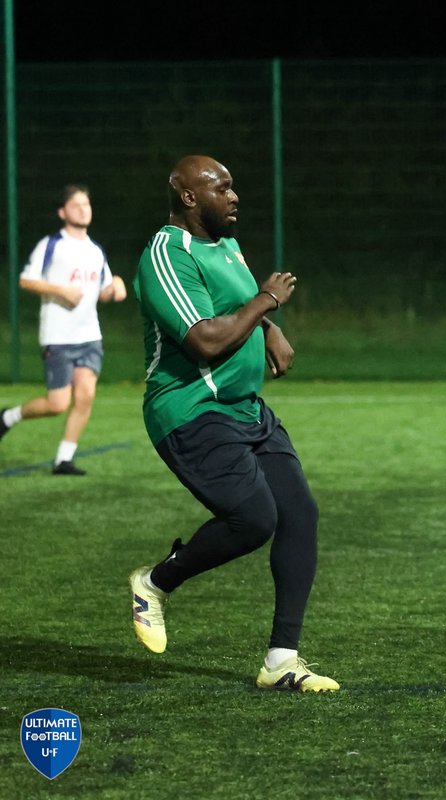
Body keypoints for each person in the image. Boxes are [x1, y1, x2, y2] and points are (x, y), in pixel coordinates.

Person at [127, 155, 338, 692]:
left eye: (233, 186)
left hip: (245, 408)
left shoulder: (226, 246)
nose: (234, 195)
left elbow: (236, 305)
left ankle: (281, 662)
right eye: (221, 187)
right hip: (192, 410)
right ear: (189, 197)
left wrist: (267, 326)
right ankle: (154, 582)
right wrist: (268, 299)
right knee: (254, 518)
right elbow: (203, 338)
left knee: (300, 514)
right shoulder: (166, 253)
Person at [0, 185, 126, 474]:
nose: (84, 209)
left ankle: (63, 459)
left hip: (89, 336)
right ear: (63, 212)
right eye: (77, 205)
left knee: (85, 396)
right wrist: (60, 291)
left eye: (87, 204)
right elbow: (26, 280)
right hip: (58, 336)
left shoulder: (96, 250)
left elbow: (103, 292)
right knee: (58, 403)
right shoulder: (51, 244)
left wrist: (115, 288)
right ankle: (8, 417)